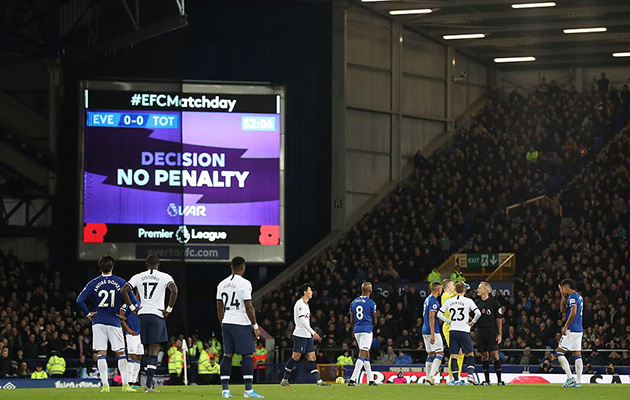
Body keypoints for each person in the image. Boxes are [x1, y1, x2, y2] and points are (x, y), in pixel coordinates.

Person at [76, 255, 136, 392]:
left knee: (101, 353)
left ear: (100, 267)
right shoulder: (121, 282)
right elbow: (132, 301)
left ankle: (105, 386)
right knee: (121, 353)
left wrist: (88, 313)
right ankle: (125, 385)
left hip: (98, 321)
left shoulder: (93, 283)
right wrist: (124, 315)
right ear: (112, 266)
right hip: (114, 321)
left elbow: (79, 300)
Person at [122, 254, 179, 393]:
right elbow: (174, 290)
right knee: (154, 351)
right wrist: (169, 309)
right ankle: (148, 384)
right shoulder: (165, 276)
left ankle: (144, 382)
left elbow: (124, 290)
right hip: (156, 314)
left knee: (146, 351)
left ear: (146, 265)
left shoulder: (138, 276)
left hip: (142, 315)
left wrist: (132, 308)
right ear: (158, 264)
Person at [216, 256, 265, 398]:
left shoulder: (222, 284)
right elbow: (248, 306)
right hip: (241, 323)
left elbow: (219, 308)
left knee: (227, 355)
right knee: (247, 355)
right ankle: (248, 390)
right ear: (243, 267)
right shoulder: (245, 283)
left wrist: (223, 323)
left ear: (231, 267)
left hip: (227, 322)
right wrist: (255, 326)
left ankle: (225, 391)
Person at [280, 283, 330, 387]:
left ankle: (319, 381)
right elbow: (302, 321)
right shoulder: (300, 304)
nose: (312, 292)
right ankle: (284, 379)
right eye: (310, 290)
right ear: (305, 292)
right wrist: (313, 332)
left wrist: (310, 334)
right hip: (300, 335)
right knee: (296, 357)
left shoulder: (306, 304)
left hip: (307, 336)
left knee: (312, 357)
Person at [438, 281, 481, 385]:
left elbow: (439, 314)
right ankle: (464, 376)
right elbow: (478, 313)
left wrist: (449, 321)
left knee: (456, 354)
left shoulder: (450, 301)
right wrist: (473, 322)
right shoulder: (447, 296)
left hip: (452, 329)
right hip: (461, 329)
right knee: (469, 353)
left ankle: (456, 378)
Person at [555, 278, 584, 388]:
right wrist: (562, 296)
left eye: (563, 288)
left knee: (559, 352)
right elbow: (563, 310)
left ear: (567, 287)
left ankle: (570, 378)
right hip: (579, 329)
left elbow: (574, 311)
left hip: (571, 329)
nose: (563, 290)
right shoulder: (578, 297)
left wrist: (566, 326)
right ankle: (579, 381)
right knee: (577, 355)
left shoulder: (572, 297)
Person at [347, 282, 377, 386]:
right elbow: (375, 319)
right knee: (363, 354)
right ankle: (352, 379)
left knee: (366, 354)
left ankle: (371, 380)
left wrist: (352, 330)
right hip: (366, 330)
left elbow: (351, 319)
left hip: (357, 330)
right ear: (370, 290)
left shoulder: (354, 302)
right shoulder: (371, 303)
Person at [475, 281, 505, 385]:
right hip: (480, 330)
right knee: (484, 355)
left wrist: (499, 333)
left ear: (486, 290)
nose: (478, 290)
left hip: (491, 330)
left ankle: (499, 380)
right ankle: (487, 380)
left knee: (494, 354)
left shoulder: (494, 303)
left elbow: (499, 319)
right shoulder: (477, 303)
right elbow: (472, 316)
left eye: (480, 288)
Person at [422, 282, 447, 385]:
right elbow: (431, 316)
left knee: (431, 354)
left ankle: (427, 379)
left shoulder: (427, 299)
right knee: (440, 353)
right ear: (438, 290)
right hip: (432, 330)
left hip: (425, 329)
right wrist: (433, 333)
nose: (441, 291)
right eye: (440, 289)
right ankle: (431, 376)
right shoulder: (434, 301)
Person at [441, 279, 464, 379]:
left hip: (457, 326)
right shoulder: (445, 295)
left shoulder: (454, 296)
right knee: (455, 352)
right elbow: (452, 297)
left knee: (461, 352)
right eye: (452, 285)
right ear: (447, 287)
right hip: (448, 327)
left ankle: (457, 375)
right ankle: (451, 377)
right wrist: (459, 289)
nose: (454, 286)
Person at [120, 299, 143, 386]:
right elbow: (120, 316)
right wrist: (128, 330)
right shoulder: (128, 303)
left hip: (141, 334)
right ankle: (128, 381)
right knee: (132, 356)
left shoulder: (144, 303)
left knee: (139, 357)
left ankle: (134, 380)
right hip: (132, 334)